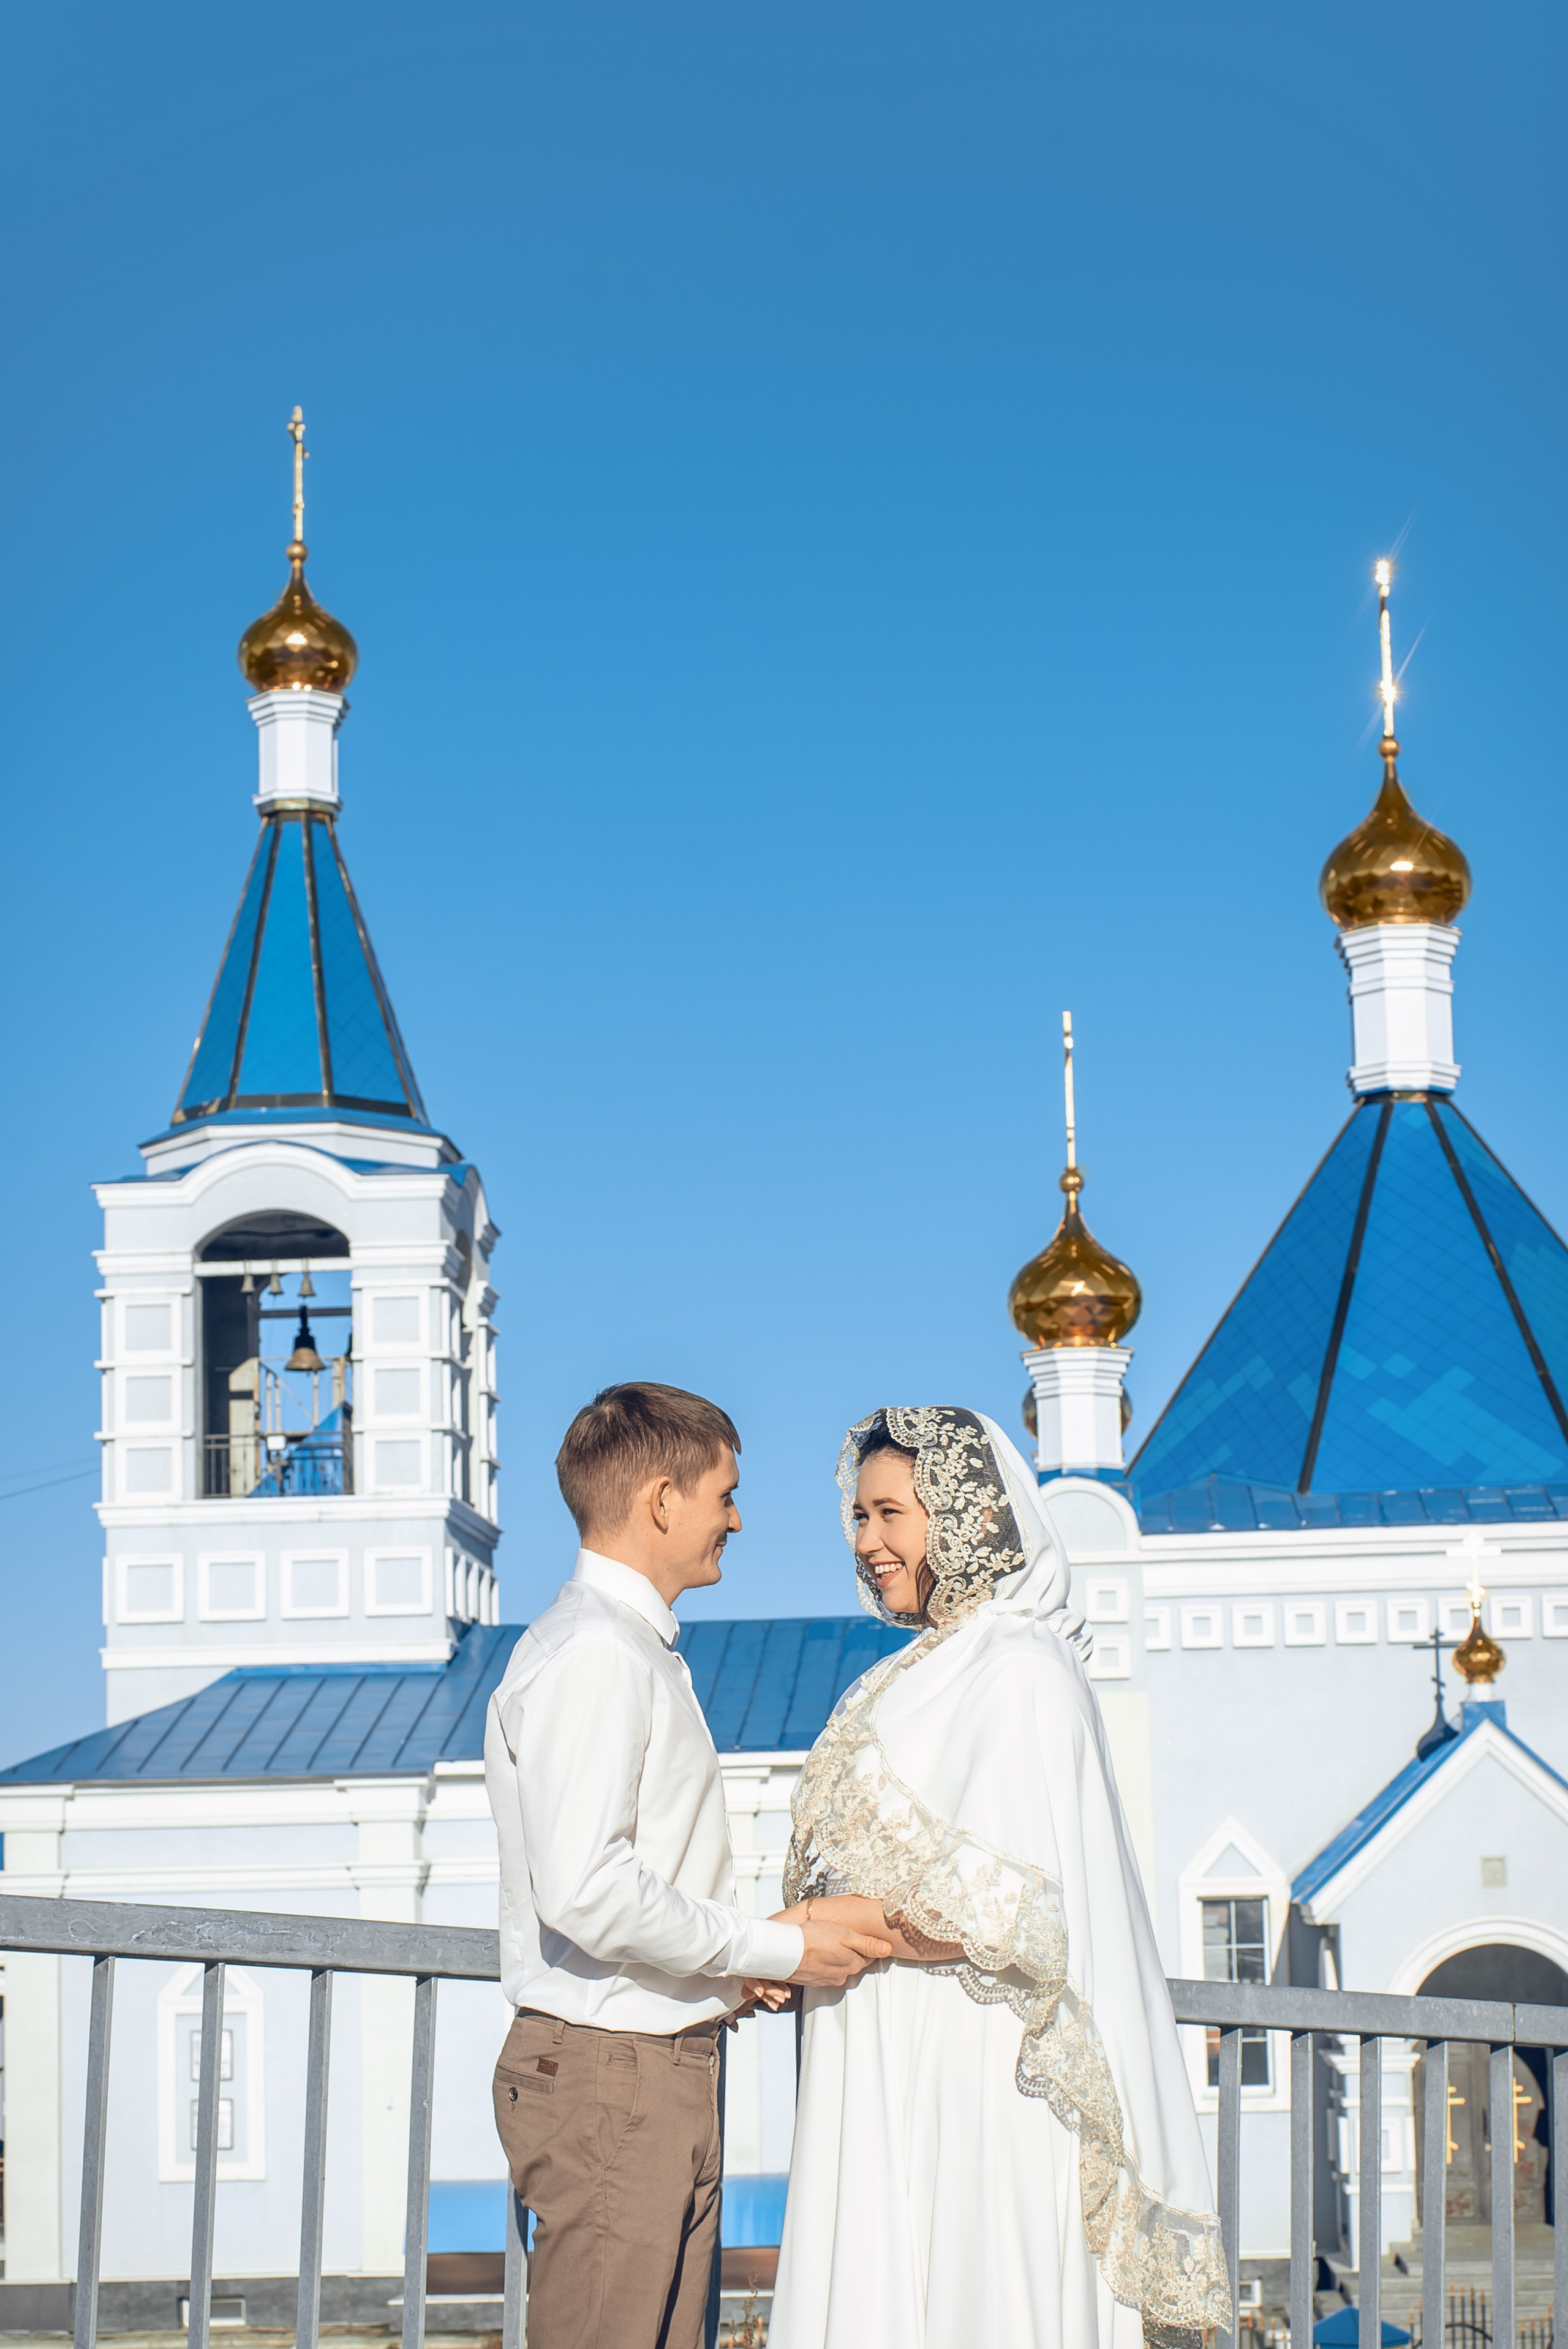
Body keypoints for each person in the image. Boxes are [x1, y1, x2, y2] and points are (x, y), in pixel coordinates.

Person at [764, 1406, 1231, 2349]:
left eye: (893, 1514)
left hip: (979, 2069)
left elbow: (1004, 1910)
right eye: (860, 1517)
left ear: (967, 1513)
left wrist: (814, 1928)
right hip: (886, 2048)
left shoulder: (1020, 1667)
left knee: (970, 2294)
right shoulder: (917, 1673)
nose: (868, 1542)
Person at [484, 1381, 892, 2349]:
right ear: (662, 1500)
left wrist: (730, 1966)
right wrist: (769, 1948)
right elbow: (587, 1889)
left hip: (644, 2070)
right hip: (614, 2076)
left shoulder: (628, 1648)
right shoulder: (597, 1654)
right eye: (724, 1493)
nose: (737, 1518)